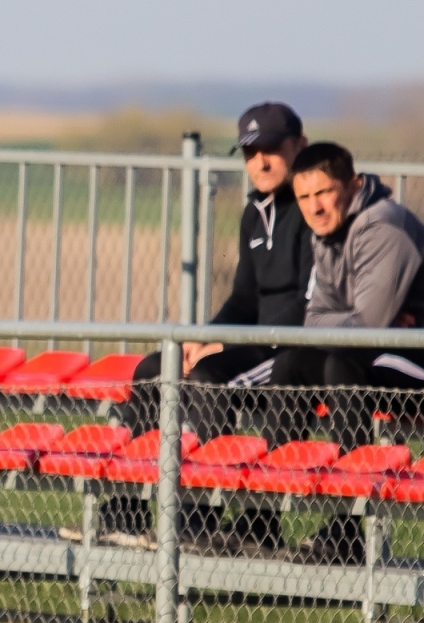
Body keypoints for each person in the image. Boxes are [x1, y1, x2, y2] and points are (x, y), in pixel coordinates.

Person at [99, 103, 312, 552]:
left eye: (272, 149)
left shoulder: (314, 210)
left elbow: (310, 303)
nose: (261, 161)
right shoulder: (255, 213)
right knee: (156, 368)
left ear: (300, 147)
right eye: (251, 152)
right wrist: (203, 337)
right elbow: (243, 297)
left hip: (288, 348)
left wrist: (223, 345)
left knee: (207, 377)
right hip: (250, 343)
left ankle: (202, 516)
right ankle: (128, 510)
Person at [268, 140, 424, 562]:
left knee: (342, 362)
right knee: (293, 363)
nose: (315, 207)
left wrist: (357, 320)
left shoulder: (382, 224)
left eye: (324, 192)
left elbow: (368, 325)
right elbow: (317, 321)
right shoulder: (325, 235)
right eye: (304, 197)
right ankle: (263, 517)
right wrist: (355, 319)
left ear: (354, 185)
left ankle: (350, 526)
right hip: (402, 349)